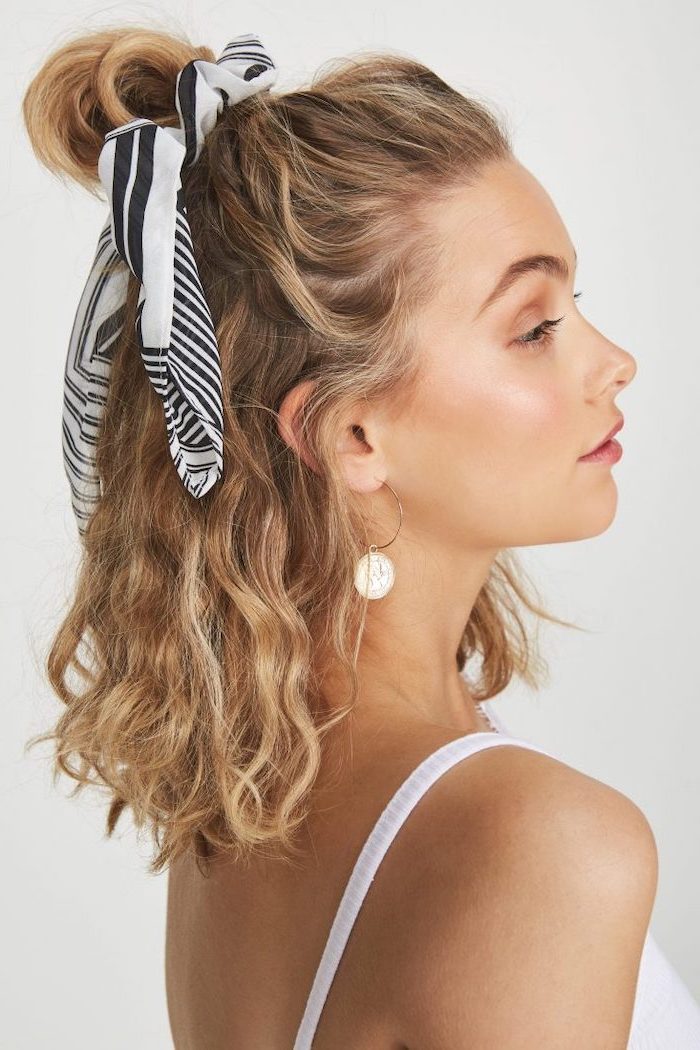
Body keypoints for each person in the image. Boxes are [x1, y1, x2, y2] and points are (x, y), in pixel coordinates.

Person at [22, 24, 700, 1049]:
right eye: (534, 326)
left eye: (578, 305)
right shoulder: (540, 844)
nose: (615, 363)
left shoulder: (245, 805)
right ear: (352, 436)